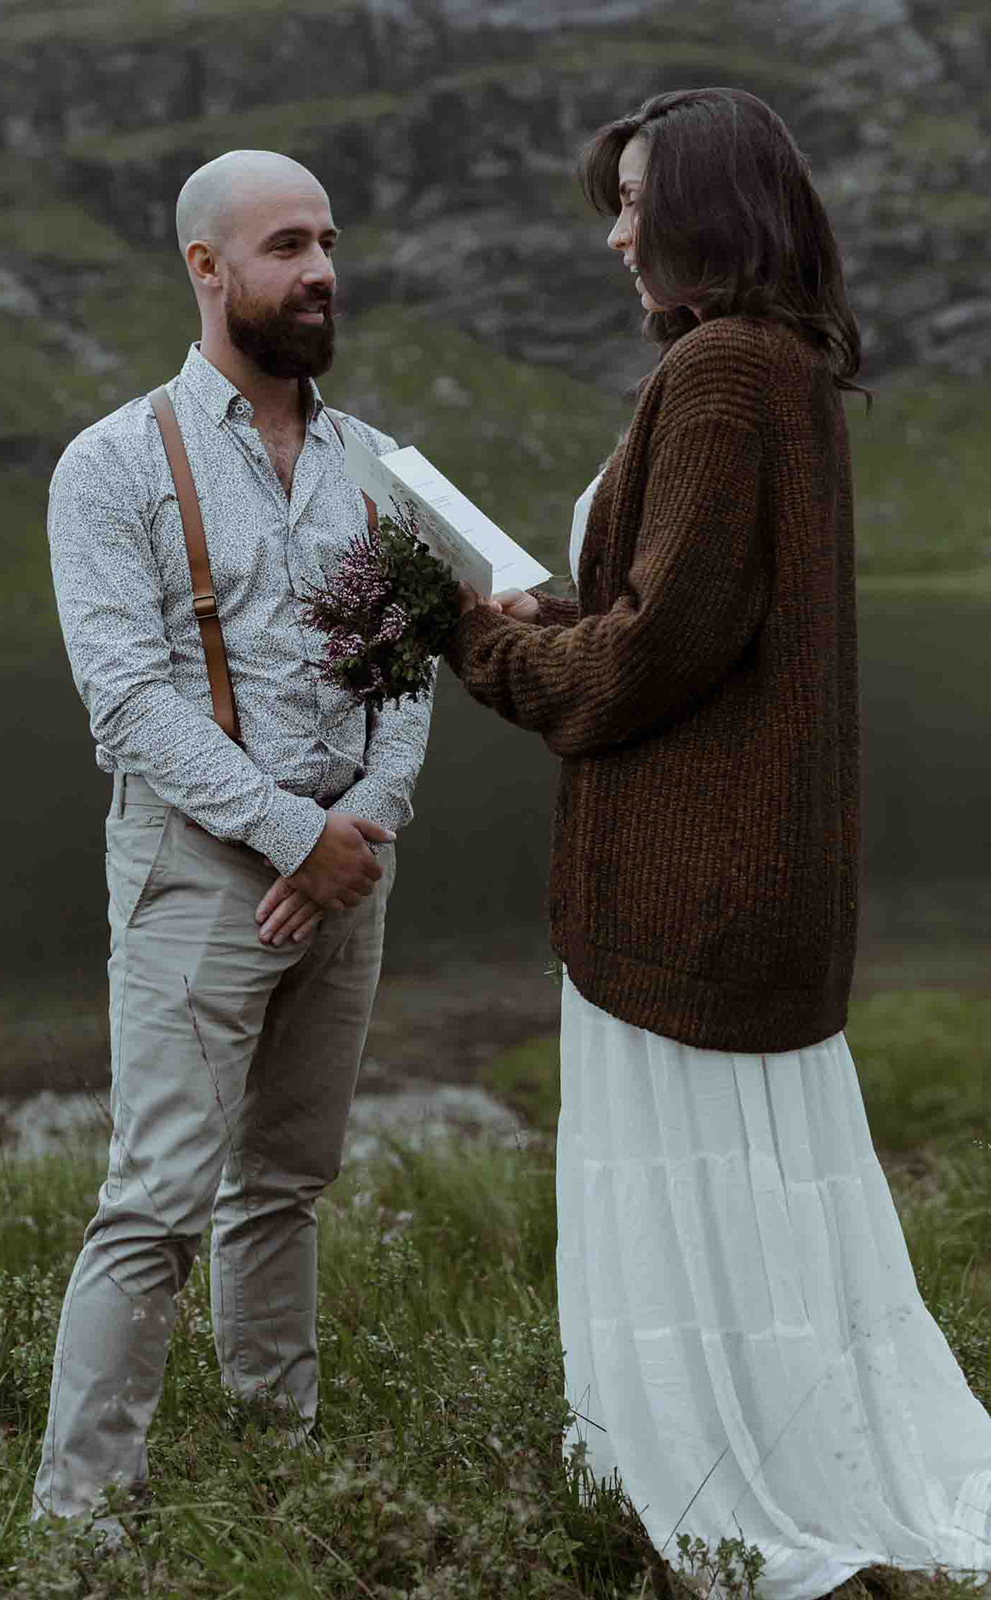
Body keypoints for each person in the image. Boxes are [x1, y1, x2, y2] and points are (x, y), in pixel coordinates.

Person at [446, 89, 991, 1600]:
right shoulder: (772, 369)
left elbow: (647, 664)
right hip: (737, 875)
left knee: (693, 1186)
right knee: (746, 1198)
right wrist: (549, 621)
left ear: (711, 206)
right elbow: (681, 627)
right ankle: (742, 1448)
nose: (614, 230)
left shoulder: (726, 376)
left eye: (634, 197)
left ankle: (723, 1480)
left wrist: (473, 641)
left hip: (692, 885)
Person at [33, 149, 431, 1522]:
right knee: (152, 1201)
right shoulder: (111, 462)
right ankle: (78, 1525)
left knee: (285, 1186)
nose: (318, 270)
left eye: (325, 240)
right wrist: (288, 838)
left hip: (348, 870)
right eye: (283, 246)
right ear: (207, 269)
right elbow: (129, 700)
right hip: (202, 871)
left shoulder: (373, 460)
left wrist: (363, 827)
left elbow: (413, 666)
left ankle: (283, 1473)